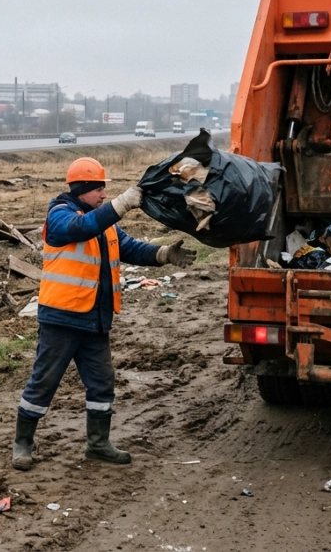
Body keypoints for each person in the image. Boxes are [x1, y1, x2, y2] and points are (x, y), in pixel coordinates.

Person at [12, 157, 196, 470]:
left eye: (104, 189)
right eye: (98, 189)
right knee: (43, 383)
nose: (102, 194)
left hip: (95, 320)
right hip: (61, 318)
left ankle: (98, 444)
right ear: (82, 190)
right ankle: (22, 445)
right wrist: (123, 203)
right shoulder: (60, 215)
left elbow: (131, 248)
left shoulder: (102, 223)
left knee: (102, 383)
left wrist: (164, 254)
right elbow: (82, 228)